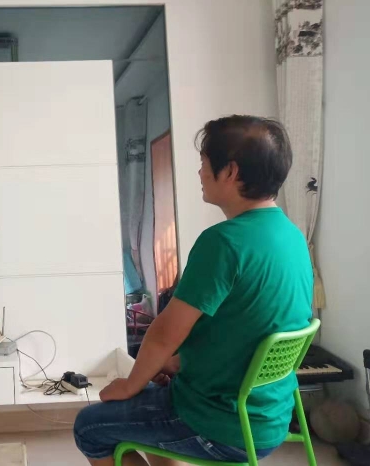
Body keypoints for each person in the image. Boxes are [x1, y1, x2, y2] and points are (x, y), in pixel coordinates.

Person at [73, 115, 313, 466]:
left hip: (219, 423)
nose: (200, 172)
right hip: (269, 416)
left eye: (203, 163)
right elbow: (247, 330)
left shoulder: (224, 242)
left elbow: (164, 333)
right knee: (153, 395)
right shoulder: (292, 236)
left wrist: (130, 384)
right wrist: (175, 363)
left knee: (90, 427)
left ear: (230, 171)